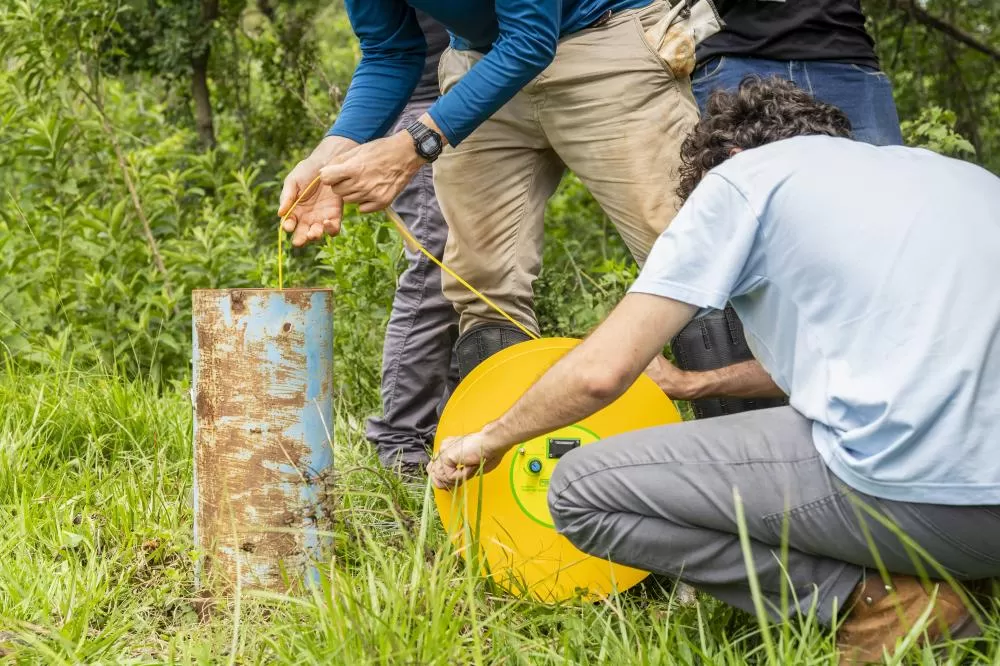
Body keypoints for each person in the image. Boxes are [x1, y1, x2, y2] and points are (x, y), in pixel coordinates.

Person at [427, 78, 1000, 663]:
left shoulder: (744, 178)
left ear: (726, 159)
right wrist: (692, 385)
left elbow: (602, 373)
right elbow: (867, 366)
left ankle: (889, 599)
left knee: (579, 491)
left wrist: (488, 440)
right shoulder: (955, 178)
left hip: (924, 502)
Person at [278, 0, 700, 379]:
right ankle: (501, 460)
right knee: (481, 279)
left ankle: (742, 442)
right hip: (483, 59)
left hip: (601, 39)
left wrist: (414, 146)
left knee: (686, 255)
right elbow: (391, 50)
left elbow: (532, 36)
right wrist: (329, 154)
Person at [655, 0, 906, 419]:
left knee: (887, 249)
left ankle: (885, 410)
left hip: (845, 53)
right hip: (731, 53)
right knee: (732, 250)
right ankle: (749, 447)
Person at [357, 12, 459, 478]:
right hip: (423, 114)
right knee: (434, 275)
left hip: (477, 105)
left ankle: (459, 423)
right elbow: (385, 52)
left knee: (479, 278)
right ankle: (402, 444)